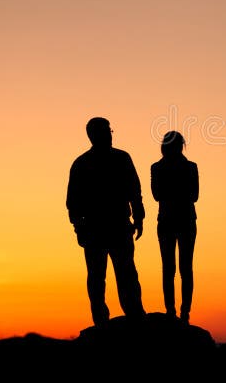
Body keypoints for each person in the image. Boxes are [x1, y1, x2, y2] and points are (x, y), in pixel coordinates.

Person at [66, 117, 147, 326]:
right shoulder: (82, 164)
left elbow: (134, 191)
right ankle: (104, 322)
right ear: (93, 135)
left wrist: (138, 217)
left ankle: (134, 317)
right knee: (99, 278)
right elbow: (72, 202)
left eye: (110, 131)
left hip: (118, 226)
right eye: (106, 131)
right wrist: (79, 228)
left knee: (125, 274)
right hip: (96, 229)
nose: (109, 135)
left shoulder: (119, 158)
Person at [150, 130, 199, 323]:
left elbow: (158, 195)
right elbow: (192, 195)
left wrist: (170, 192)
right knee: (179, 268)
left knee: (176, 268)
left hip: (174, 220)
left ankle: (180, 311)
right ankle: (175, 311)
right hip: (178, 220)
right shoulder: (187, 168)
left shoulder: (158, 168)